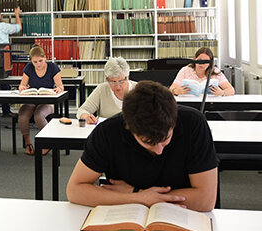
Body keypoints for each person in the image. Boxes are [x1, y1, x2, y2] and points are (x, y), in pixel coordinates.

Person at [66, 80, 218, 212]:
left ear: (174, 120)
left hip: (181, 220)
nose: (159, 151)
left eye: (165, 139)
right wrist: (140, 198)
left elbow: (206, 200)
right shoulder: (108, 132)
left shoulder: (194, 123)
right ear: (129, 128)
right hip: (126, 222)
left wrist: (135, 193)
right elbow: (75, 190)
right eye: (148, 142)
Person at [17, 45, 64, 155]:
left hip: (48, 101)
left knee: (39, 115)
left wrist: (59, 88)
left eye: (40, 61)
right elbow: (21, 85)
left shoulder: (52, 67)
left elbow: (61, 86)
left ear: (45, 58)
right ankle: (28, 143)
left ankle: (47, 143)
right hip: (32, 99)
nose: (38, 64)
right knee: (23, 115)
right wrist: (22, 88)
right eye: (35, 62)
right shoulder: (28, 68)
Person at [76, 57, 135, 124]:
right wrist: (86, 117)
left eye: (121, 81)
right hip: (107, 132)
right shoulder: (102, 89)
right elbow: (82, 110)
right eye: (113, 82)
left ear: (128, 77)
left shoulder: (139, 89)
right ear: (107, 79)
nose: (118, 86)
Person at [169, 47, 235, 97]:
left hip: (210, 104)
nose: (202, 64)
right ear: (195, 59)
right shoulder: (185, 70)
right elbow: (171, 89)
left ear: (210, 62)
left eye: (206, 61)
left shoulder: (215, 71)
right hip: (189, 103)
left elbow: (231, 90)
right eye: (200, 60)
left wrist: (222, 92)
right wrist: (177, 91)